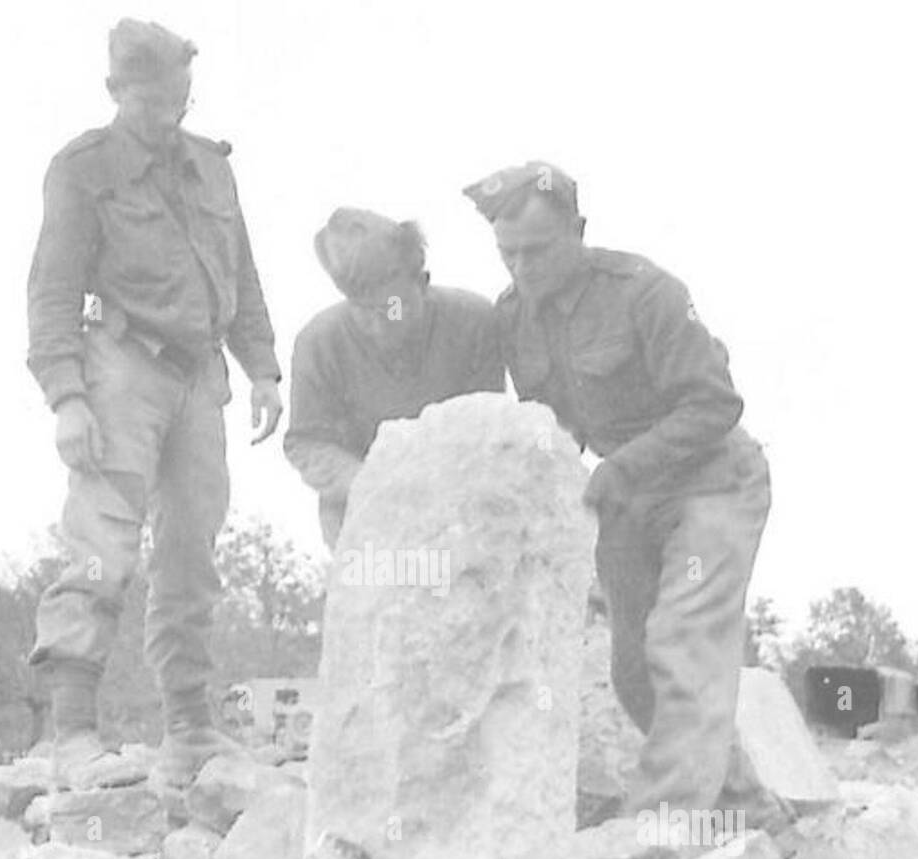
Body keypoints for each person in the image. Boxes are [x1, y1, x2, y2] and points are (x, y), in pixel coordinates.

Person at [464, 161, 773, 821]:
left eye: (539, 250)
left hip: (710, 484)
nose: (523, 267)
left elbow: (715, 404)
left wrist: (623, 466)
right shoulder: (514, 316)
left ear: (578, 230)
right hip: (626, 504)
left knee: (682, 642)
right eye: (508, 254)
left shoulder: (646, 292)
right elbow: (554, 420)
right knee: (636, 673)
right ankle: (746, 806)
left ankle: (665, 829)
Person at [26, 19, 283, 788]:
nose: (166, 115)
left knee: (191, 552)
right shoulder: (83, 169)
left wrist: (265, 368)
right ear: (115, 91)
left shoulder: (212, 167)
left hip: (200, 376)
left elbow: (241, 270)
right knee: (102, 541)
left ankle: (192, 729)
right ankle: (72, 733)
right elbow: (53, 290)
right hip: (120, 366)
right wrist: (68, 397)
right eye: (149, 101)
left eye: (177, 100)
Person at [284, 208, 505, 547]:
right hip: (364, 516)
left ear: (423, 282)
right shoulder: (319, 343)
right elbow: (307, 442)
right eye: (362, 310)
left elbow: (489, 426)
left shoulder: (473, 321)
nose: (379, 325)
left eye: (392, 308)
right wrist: (370, 483)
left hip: (462, 504)